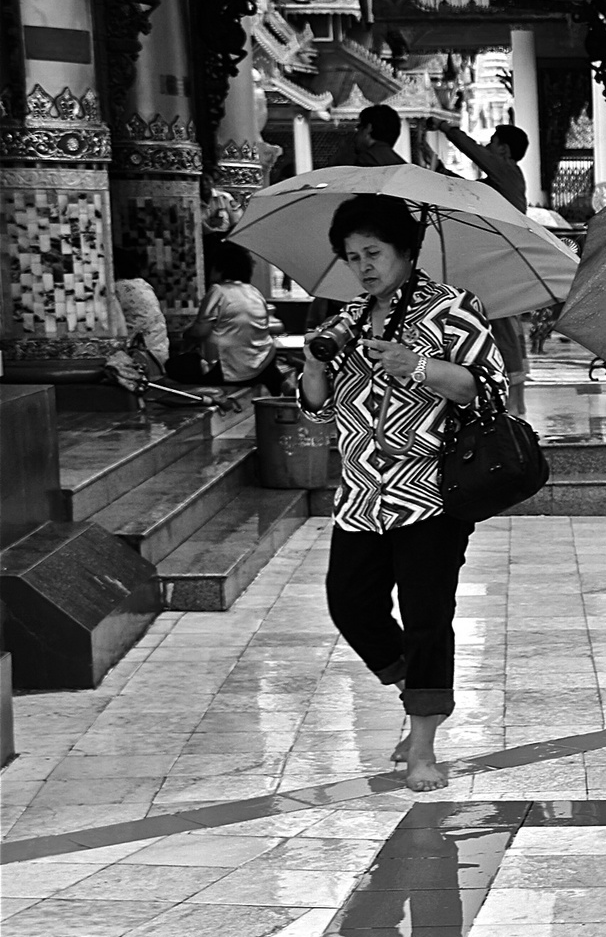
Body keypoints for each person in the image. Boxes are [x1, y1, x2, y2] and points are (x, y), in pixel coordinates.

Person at [298, 194, 506, 792]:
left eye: (374, 253)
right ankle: (417, 686)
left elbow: (486, 391)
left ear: (406, 251)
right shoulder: (346, 321)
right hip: (360, 497)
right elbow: (317, 413)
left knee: (426, 615)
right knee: (349, 604)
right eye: (352, 256)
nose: (363, 266)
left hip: (429, 494)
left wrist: (416, 366)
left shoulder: (451, 309)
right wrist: (314, 365)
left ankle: (422, 747)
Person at [425, 119, 531, 411]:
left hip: (502, 262)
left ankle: (514, 405)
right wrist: (435, 170)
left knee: (503, 325)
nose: (487, 147)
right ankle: (505, 399)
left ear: (505, 150)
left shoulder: (507, 170)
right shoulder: (497, 183)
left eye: (493, 142)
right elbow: (461, 190)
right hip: (492, 261)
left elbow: (474, 153)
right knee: (495, 325)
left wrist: (445, 128)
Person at [168, 238, 285, 393]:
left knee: (173, 365)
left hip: (228, 370)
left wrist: (185, 336)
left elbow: (200, 332)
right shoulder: (254, 292)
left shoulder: (218, 291)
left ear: (220, 268)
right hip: (260, 366)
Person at [339, 105, 408, 168]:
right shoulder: (403, 165)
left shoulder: (367, 159)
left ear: (368, 129)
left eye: (359, 128)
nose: (355, 135)